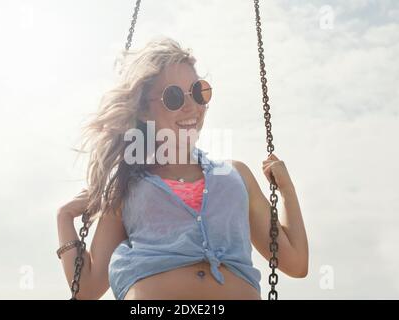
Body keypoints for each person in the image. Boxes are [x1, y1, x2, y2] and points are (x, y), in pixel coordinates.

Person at [56, 36, 308, 300]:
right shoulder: (126, 186)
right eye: (173, 97)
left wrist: (287, 190)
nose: (192, 106)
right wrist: (64, 216)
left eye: (199, 92)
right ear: (143, 110)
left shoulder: (236, 176)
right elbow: (86, 289)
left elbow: (295, 263)